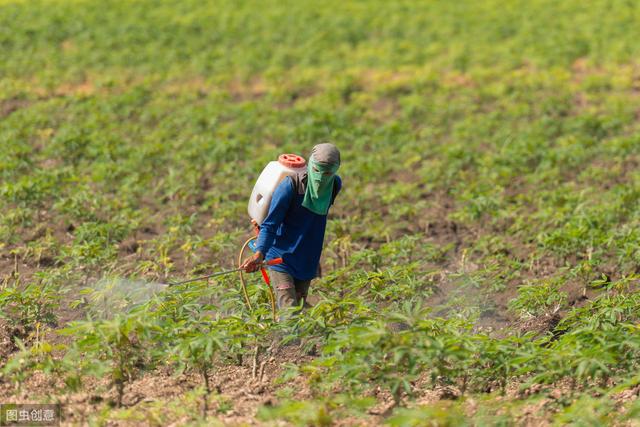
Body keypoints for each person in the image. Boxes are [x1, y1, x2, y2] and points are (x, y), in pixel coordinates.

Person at [241, 143, 342, 311]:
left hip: (307, 259)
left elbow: (313, 224)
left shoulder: (334, 186)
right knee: (290, 313)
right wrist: (259, 254)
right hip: (281, 257)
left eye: (328, 173)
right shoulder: (290, 187)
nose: (321, 177)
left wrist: (314, 259)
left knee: (299, 310)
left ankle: (278, 336)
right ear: (310, 165)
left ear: (336, 170)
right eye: (317, 171)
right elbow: (270, 224)